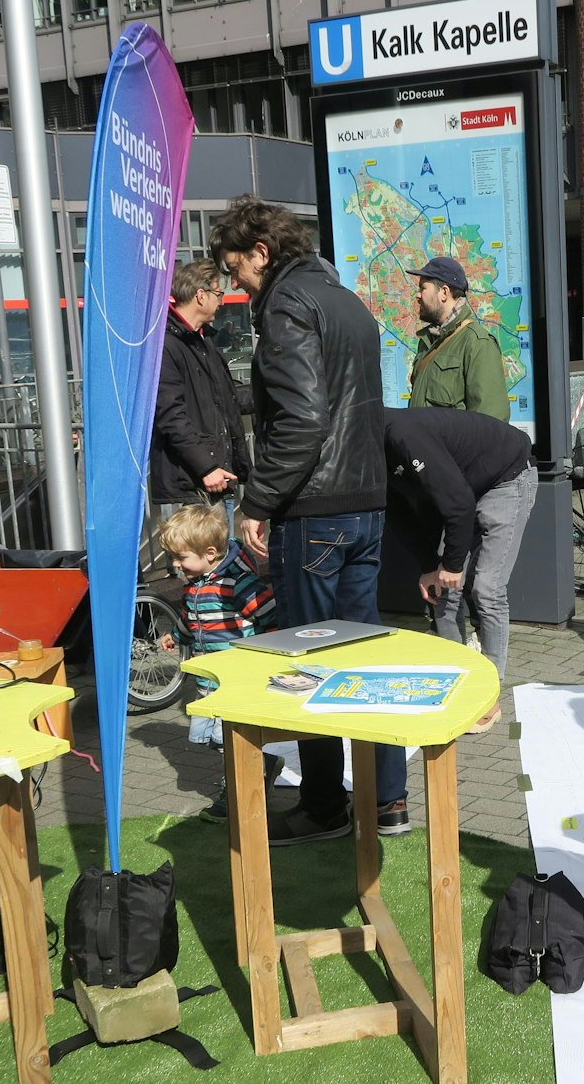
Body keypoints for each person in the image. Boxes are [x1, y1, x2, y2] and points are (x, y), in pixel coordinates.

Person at [211, 194, 398, 844]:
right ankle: (390, 800)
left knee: (311, 662)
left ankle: (323, 806)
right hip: (366, 502)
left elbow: (303, 420)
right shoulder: (347, 301)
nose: (233, 283)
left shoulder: (288, 304)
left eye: (236, 268)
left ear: (261, 252)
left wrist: (256, 502)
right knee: (364, 654)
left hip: (314, 509)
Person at [383, 407, 535, 695]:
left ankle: (487, 692)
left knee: (487, 589)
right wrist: (430, 566)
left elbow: (459, 503)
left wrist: (452, 565)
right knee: (441, 591)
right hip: (464, 485)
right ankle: (454, 677)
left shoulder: (403, 436)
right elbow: (400, 515)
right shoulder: (368, 449)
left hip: (506, 475)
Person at [157, 504, 277, 822]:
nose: (176, 564)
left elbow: (272, 616)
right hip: (208, 678)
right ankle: (260, 769)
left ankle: (240, 789)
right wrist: (177, 636)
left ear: (210, 553)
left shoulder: (236, 585)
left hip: (237, 678)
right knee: (213, 737)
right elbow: (190, 618)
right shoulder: (194, 586)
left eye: (181, 557)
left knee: (229, 738)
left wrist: (268, 655)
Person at [151, 258, 250, 525]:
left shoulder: (204, 340)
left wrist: (271, 393)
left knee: (219, 559)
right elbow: (170, 415)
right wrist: (206, 466)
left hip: (217, 477)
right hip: (195, 485)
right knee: (203, 559)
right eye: (219, 294)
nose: (222, 301)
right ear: (200, 295)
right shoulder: (167, 345)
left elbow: (226, 398)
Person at [406, 255, 510, 420]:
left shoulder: (477, 343)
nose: (418, 296)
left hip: (450, 447)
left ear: (444, 292)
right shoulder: (428, 342)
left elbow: (491, 424)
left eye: (423, 288)